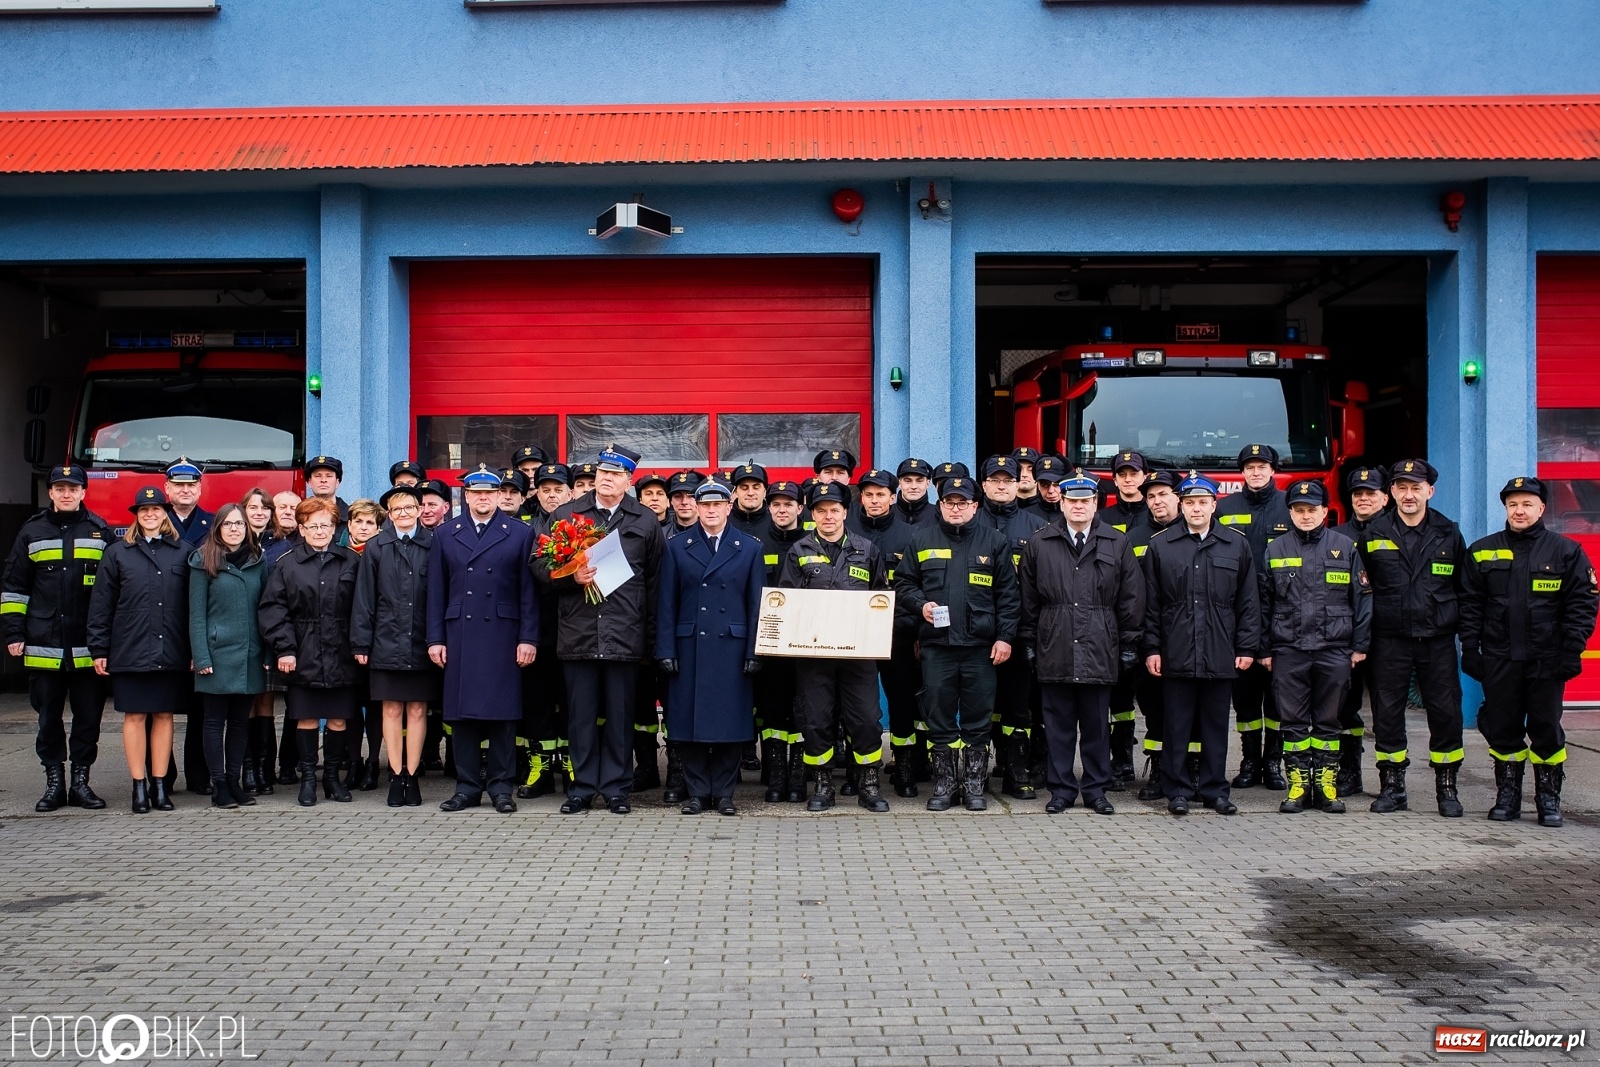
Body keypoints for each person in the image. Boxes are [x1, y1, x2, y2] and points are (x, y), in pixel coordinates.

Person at [1460, 476, 1599, 828]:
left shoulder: (1566, 551)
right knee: (1503, 729)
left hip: (1547, 660)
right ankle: (1507, 797)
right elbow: (1470, 604)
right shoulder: (1482, 550)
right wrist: (1471, 649)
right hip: (1500, 657)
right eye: (1512, 504)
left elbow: (1582, 604)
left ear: (1541, 508)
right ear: (1505, 508)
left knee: (1546, 729)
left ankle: (1548, 800)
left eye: (1526, 504)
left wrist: (1572, 649)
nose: (1519, 510)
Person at [1018, 469, 1144, 815]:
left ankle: (1095, 789)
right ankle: (1061, 790)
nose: (1078, 507)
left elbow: (1130, 598)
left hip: (1098, 644)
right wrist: (1029, 639)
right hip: (1054, 643)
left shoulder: (1117, 543)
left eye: (1085, 502)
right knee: (1057, 726)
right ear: (1061, 502)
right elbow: (1027, 598)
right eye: (1072, 501)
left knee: (1095, 726)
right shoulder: (1040, 542)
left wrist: (1129, 642)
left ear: (1095, 503)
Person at [546, 446, 663, 815]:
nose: (607, 478)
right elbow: (539, 568)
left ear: (629, 480)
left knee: (620, 717)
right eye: (602, 472)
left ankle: (616, 789)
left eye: (616, 474)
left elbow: (656, 584)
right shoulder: (567, 514)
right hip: (578, 633)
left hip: (624, 634)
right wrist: (570, 577)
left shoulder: (645, 520)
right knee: (580, 718)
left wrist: (651, 642)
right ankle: (581, 789)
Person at [1141, 471, 1262, 817]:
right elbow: (1151, 604)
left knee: (1214, 726)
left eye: (1202, 503)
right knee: (1176, 725)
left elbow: (1248, 602)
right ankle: (1176, 789)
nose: (1196, 509)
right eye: (1190, 503)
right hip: (1175, 649)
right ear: (1181, 505)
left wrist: (1246, 647)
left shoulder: (1235, 544)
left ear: (1214, 505)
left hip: (1220, 650)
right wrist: (1152, 648)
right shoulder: (1161, 545)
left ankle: (1214, 790)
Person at [895, 476, 1019, 812]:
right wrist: (920, 604)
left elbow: (1008, 596)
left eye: (962, 502)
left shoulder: (994, 542)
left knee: (978, 717)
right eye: (949, 502)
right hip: (937, 647)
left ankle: (974, 785)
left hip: (981, 648)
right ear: (940, 505)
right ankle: (945, 784)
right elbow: (903, 584)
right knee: (939, 716)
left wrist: (1005, 638)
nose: (955, 508)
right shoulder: (921, 540)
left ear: (975, 507)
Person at [1357, 458, 1468, 817]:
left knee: (1446, 713)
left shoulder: (1448, 532)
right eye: (1401, 487)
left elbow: (1464, 590)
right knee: (1387, 715)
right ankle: (1392, 787)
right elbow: (1362, 590)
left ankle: (1447, 789)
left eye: (1415, 488)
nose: (1408, 494)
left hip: (1437, 639)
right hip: (1389, 640)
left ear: (1429, 492)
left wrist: (1469, 639)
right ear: (1391, 492)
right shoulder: (1374, 533)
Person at [425, 466, 539, 813]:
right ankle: (467, 787)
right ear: (466, 497)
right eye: (476, 494)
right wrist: (435, 639)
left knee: (503, 717)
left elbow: (528, 592)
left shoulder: (519, 533)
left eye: (489, 494)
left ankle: (502, 788)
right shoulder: (446, 534)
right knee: (462, 717)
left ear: (499, 496)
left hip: (503, 634)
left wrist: (528, 638)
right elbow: (436, 592)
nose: (483, 499)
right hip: (460, 632)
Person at [3, 463, 111, 812]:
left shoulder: (99, 532)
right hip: (43, 642)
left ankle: (81, 783)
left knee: (88, 718)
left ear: (83, 492)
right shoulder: (31, 532)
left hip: (87, 646)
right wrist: (13, 632)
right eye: (59, 488)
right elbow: (14, 588)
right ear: (50, 492)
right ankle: (54, 784)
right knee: (47, 718)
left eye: (73, 488)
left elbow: (112, 592)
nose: (66, 493)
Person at [1260, 480, 1371, 815]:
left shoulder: (1345, 546)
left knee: (1328, 723)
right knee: (1292, 722)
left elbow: (1363, 598)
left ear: (1325, 511)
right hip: (1288, 649)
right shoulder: (1275, 549)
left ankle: (1326, 787)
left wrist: (1360, 645)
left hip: (1333, 649)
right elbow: (1263, 603)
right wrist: (1264, 648)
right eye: (1299, 510)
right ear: (1290, 512)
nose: (1305, 516)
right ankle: (1298, 786)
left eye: (1312, 510)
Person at [654, 478, 765, 814]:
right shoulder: (676, 546)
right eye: (705, 505)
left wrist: (754, 651)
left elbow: (756, 604)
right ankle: (698, 793)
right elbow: (666, 603)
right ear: (696, 508)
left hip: (732, 646)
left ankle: (725, 794)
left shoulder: (749, 547)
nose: (711, 510)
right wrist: (666, 649)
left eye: (718, 504)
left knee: (729, 725)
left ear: (729, 507)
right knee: (690, 724)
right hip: (690, 647)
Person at [778, 481, 890, 811]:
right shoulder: (799, 551)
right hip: (813, 655)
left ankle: (869, 783)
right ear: (812, 514)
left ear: (845, 512)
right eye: (821, 510)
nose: (828, 516)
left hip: (858, 654)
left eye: (834, 510)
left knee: (867, 718)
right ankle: (823, 784)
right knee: (816, 719)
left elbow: (880, 597)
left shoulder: (866, 549)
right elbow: (787, 601)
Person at [86, 486, 190, 813]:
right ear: (136, 515)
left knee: (163, 715)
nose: (150, 514)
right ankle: (138, 787)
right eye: (143, 510)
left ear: (165, 513)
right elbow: (101, 606)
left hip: (171, 648)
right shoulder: (118, 553)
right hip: (129, 649)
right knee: (134, 716)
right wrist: (99, 649)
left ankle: (160, 787)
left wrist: (193, 651)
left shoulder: (183, 551)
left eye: (156, 509)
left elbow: (192, 607)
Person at [258, 496, 361, 806]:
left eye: (326, 525)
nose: (319, 531)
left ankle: (332, 779)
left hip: (341, 652)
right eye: (313, 526)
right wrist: (285, 649)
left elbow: (362, 607)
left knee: (338, 719)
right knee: (305, 718)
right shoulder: (286, 563)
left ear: (334, 528)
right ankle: (307, 780)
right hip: (302, 652)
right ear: (301, 529)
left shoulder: (350, 561)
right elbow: (273, 609)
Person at [352, 483, 440, 808]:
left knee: (417, 709)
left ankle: (412, 775)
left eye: (409, 508)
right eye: (397, 510)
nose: (403, 514)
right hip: (385, 640)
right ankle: (395, 773)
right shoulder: (376, 547)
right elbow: (364, 599)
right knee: (390, 709)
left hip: (422, 642)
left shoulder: (434, 544)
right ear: (389, 515)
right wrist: (361, 642)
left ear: (419, 510)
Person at [1215, 443, 1292, 792]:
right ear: (1242, 472)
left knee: (1277, 698)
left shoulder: (1289, 507)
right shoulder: (1225, 508)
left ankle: (1273, 763)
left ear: (1273, 470)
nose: (1256, 472)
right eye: (1250, 467)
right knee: (1245, 698)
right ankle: (1249, 761)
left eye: (1262, 466)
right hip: (1238, 616)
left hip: (1283, 614)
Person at [974, 453, 1050, 799]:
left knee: (1018, 704)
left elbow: (1043, 583)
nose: (1002, 486)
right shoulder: (971, 523)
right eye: (995, 480)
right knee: (983, 704)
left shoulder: (1036, 526)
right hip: (976, 630)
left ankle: (1016, 770)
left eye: (1009, 480)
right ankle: (989, 764)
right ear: (985, 485)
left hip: (1019, 630)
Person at [186, 503, 267, 809]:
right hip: (216, 655)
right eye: (228, 524)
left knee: (239, 723)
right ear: (218, 528)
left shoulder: (258, 561)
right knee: (213, 722)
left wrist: (267, 651)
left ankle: (234, 782)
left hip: (250, 654)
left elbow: (267, 609)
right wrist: (201, 656)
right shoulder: (202, 560)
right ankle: (218, 783)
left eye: (240, 524)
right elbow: (196, 615)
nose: (235, 529)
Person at [1329, 465, 1391, 797]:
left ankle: (1389, 782)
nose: (1363, 498)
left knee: (1386, 711)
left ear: (1385, 496)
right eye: (1357, 493)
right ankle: (1348, 772)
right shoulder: (1336, 537)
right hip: (1344, 639)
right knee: (1344, 708)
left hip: (1386, 639)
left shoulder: (1396, 533)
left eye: (1370, 493)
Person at [1126, 470, 1186, 800]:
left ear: (1178, 496)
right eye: (1150, 496)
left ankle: (1188, 771)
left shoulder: (1191, 533)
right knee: (1153, 710)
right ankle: (1159, 771)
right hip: (1147, 639)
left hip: (1185, 639)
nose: (1156, 501)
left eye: (1163, 494)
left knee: (1186, 710)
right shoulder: (1135, 536)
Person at [754, 480, 810, 802]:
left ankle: (799, 778)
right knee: (772, 710)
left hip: (804, 641)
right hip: (769, 640)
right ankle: (776, 778)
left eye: (788, 503)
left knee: (802, 710)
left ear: (800, 508)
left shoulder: (812, 544)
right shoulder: (755, 543)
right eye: (776, 504)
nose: (781, 509)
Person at [1100, 451, 1150, 788]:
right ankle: (1117, 761)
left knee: (1141, 698)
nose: (1128, 479)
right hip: (1108, 622)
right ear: (1115, 480)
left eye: (1134, 473)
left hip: (1148, 624)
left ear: (1145, 477)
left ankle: (1134, 759)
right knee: (1113, 697)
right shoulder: (1102, 518)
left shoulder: (1156, 516)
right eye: (1122, 474)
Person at [340, 499, 385, 788]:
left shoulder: (383, 553)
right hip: (343, 642)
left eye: (370, 523)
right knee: (351, 706)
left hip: (377, 641)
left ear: (379, 528)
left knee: (376, 707)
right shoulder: (339, 554)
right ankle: (353, 762)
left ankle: (373, 763)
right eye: (359, 521)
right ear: (350, 524)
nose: (364, 527)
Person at [162, 457, 213, 546]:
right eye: (179, 485)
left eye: (191, 485)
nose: (185, 490)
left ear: (199, 489)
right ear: (167, 488)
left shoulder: (214, 523)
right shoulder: (154, 521)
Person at [304, 455, 350, 528]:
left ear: (337, 482)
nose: (323, 480)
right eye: (318, 476)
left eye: (329, 476)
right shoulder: (300, 514)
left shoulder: (351, 516)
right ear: (309, 482)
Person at [894, 458, 938, 528]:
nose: (913, 486)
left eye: (919, 481)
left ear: (927, 484)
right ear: (899, 483)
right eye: (908, 481)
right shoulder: (887, 513)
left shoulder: (938, 515)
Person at [728, 463, 769, 537]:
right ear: (735, 492)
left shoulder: (776, 522)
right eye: (744, 488)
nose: (750, 493)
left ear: (764, 492)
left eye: (756, 487)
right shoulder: (724, 523)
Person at [665, 470, 703, 539]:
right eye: (678, 496)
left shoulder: (710, 533)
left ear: (699, 500)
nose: (684, 502)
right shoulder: (661, 535)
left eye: (691, 496)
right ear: (671, 501)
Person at [1011, 446, 1042, 511]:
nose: (1024, 474)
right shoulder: (1002, 510)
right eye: (1020, 469)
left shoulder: (1050, 510)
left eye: (1030, 469)